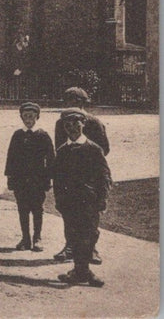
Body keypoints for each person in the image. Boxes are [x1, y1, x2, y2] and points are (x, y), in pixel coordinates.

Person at [53, 108, 110, 288]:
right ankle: (81, 271)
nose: (72, 128)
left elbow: (105, 176)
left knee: (90, 234)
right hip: (70, 202)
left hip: (89, 202)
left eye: (76, 124)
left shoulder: (93, 149)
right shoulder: (63, 151)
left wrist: (102, 199)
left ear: (83, 124)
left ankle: (82, 271)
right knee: (73, 235)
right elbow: (58, 178)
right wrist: (59, 200)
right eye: (67, 125)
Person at [4, 102, 54, 251]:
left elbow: (51, 158)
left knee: (37, 209)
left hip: (38, 180)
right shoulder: (17, 135)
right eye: (25, 116)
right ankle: (25, 238)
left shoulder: (43, 135)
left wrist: (48, 178)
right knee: (22, 209)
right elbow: (10, 157)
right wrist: (10, 177)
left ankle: (37, 238)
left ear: (37, 117)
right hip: (20, 180)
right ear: (21, 117)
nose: (28, 119)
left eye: (31, 116)